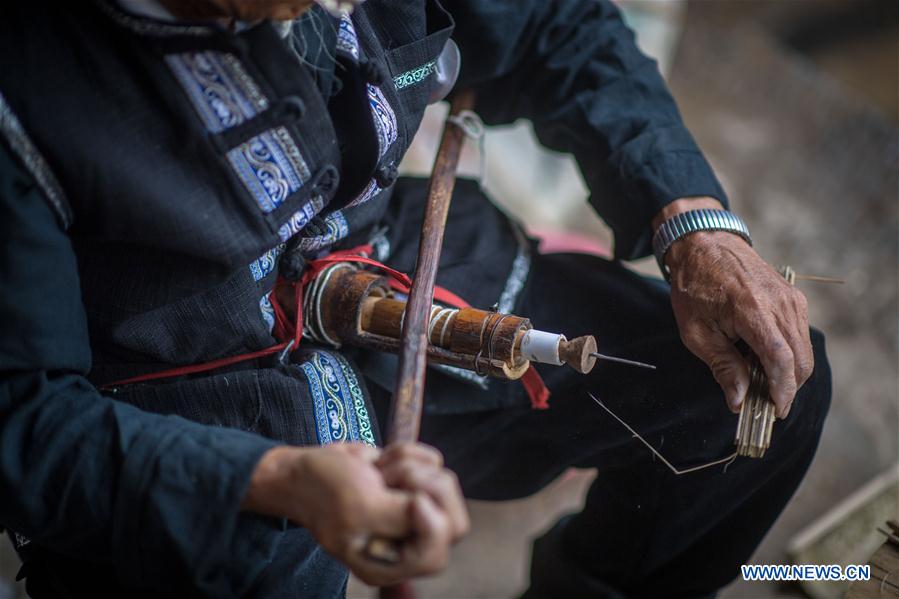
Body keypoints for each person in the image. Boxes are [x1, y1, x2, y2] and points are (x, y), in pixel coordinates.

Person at [0, 0, 831, 597]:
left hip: (387, 254)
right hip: (180, 383)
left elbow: (556, 27)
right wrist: (281, 479)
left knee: (749, 389)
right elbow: (23, 419)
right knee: (268, 565)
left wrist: (695, 226)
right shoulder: (26, 83)